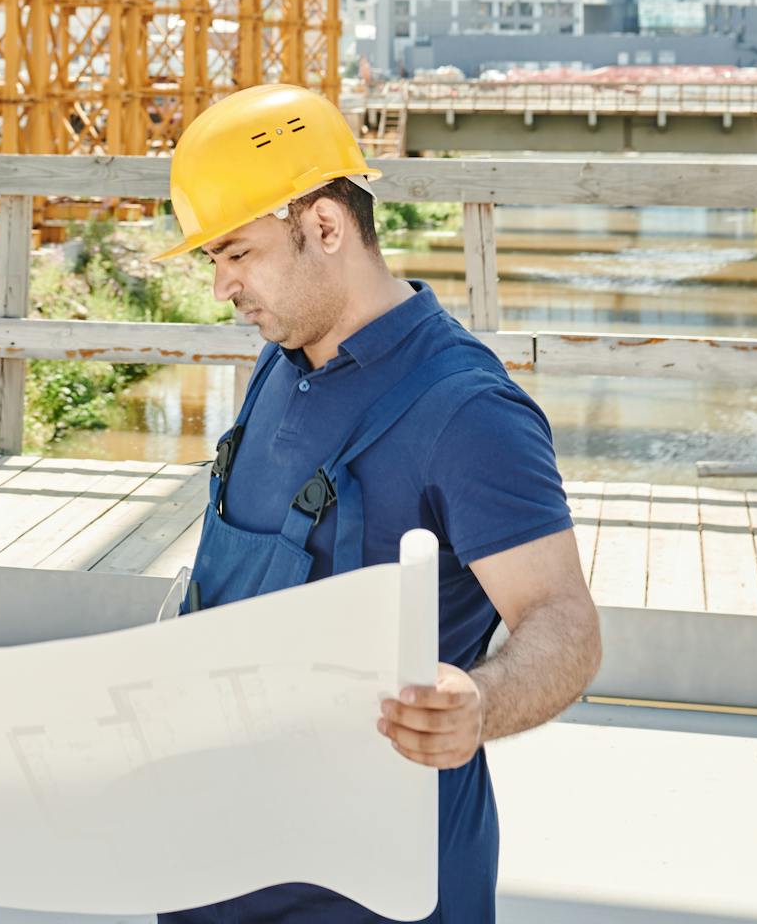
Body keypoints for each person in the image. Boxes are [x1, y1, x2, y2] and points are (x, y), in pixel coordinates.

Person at [157, 82, 601, 924]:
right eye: (211, 259)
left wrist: (479, 704)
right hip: (216, 852)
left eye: (237, 253)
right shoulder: (281, 359)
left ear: (324, 226)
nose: (222, 286)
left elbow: (564, 622)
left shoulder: (467, 410)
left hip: (370, 881)